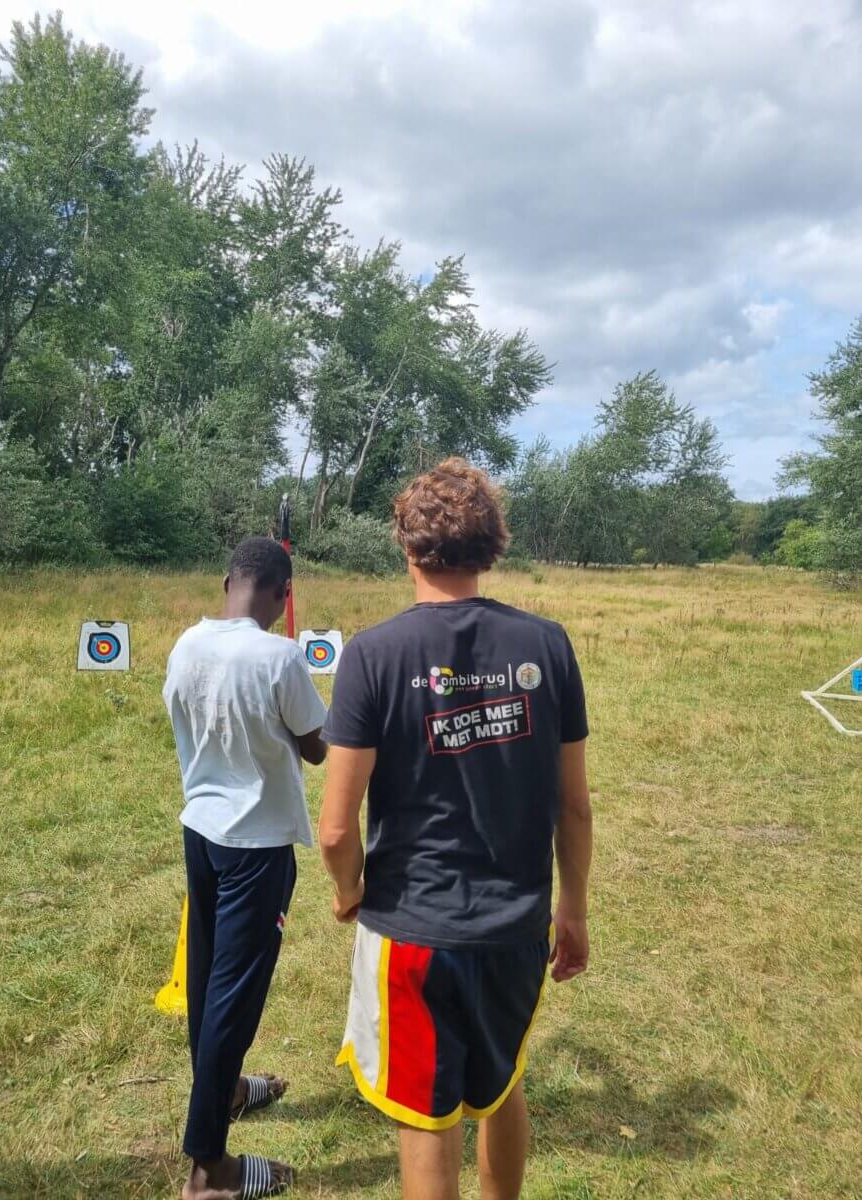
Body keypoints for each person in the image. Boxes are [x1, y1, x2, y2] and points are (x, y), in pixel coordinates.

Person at [318, 459, 591, 1200]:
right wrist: (573, 908)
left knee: (426, 1117)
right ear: (492, 545)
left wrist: (349, 892)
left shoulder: (373, 654)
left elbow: (336, 826)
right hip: (517, 925)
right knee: (503, 1086)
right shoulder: (548, 643)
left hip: (412, 928)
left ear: (405, 545)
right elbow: (575, 806)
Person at [163, 537, 327, 1200]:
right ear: (284, 596)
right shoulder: (281, 656)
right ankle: (209, 1168)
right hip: (256, 850)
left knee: (208, 980)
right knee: (233, 996)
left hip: (201, 832)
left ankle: (225, 1089)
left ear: (226, 581)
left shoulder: (185, 643)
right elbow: (316, 749)